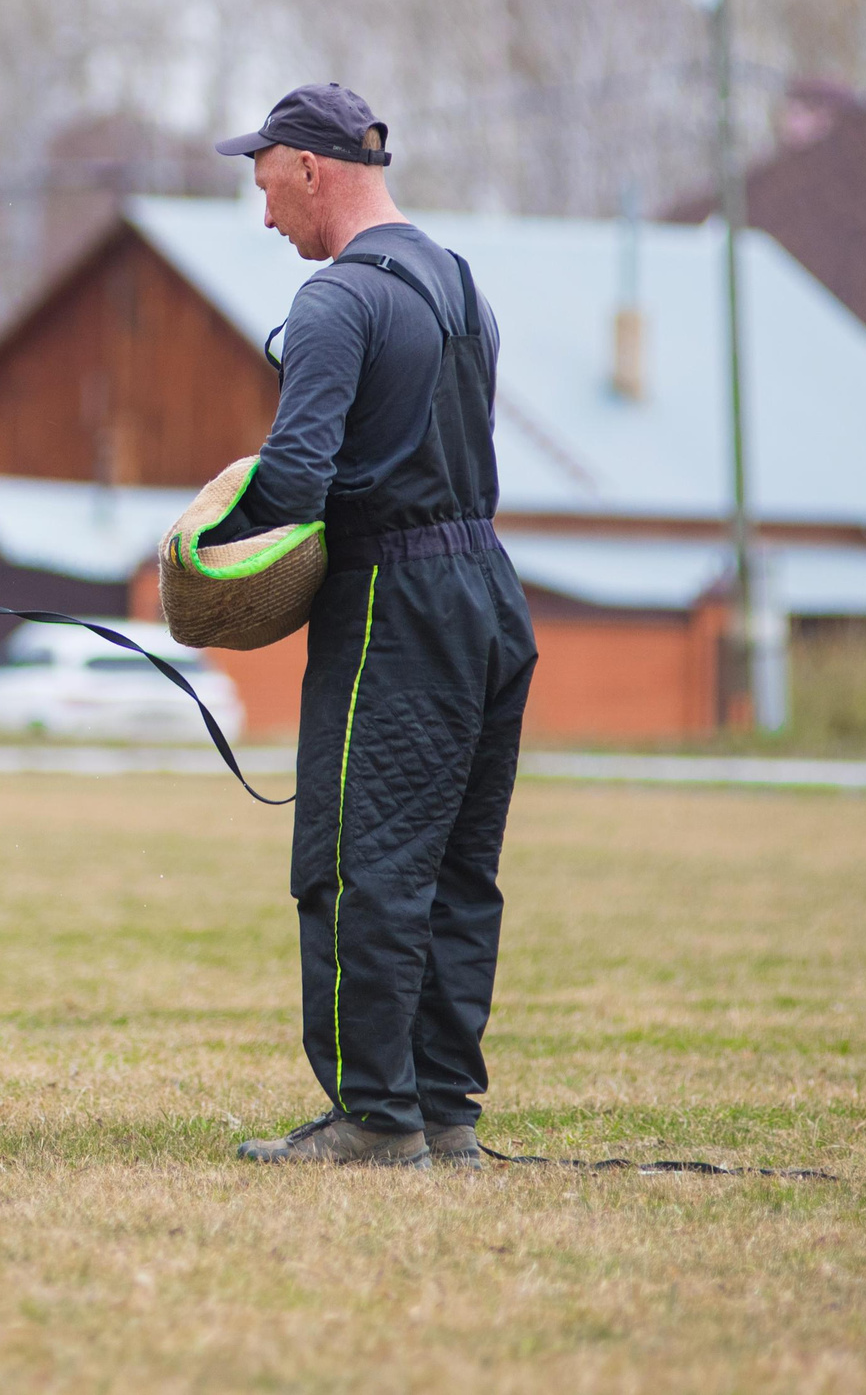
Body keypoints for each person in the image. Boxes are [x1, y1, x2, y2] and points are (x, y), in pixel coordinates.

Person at [211, 85, 538, 1170]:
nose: (266, 219)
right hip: (487, 586)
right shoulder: (457, 281)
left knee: (357, 862)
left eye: (265, 188)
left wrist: (206, 545)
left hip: (393, 598)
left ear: (309, 167)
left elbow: (299, 478)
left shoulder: (335, 301)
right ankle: (445, 1115)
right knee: (455, 868)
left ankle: (373, 1117)